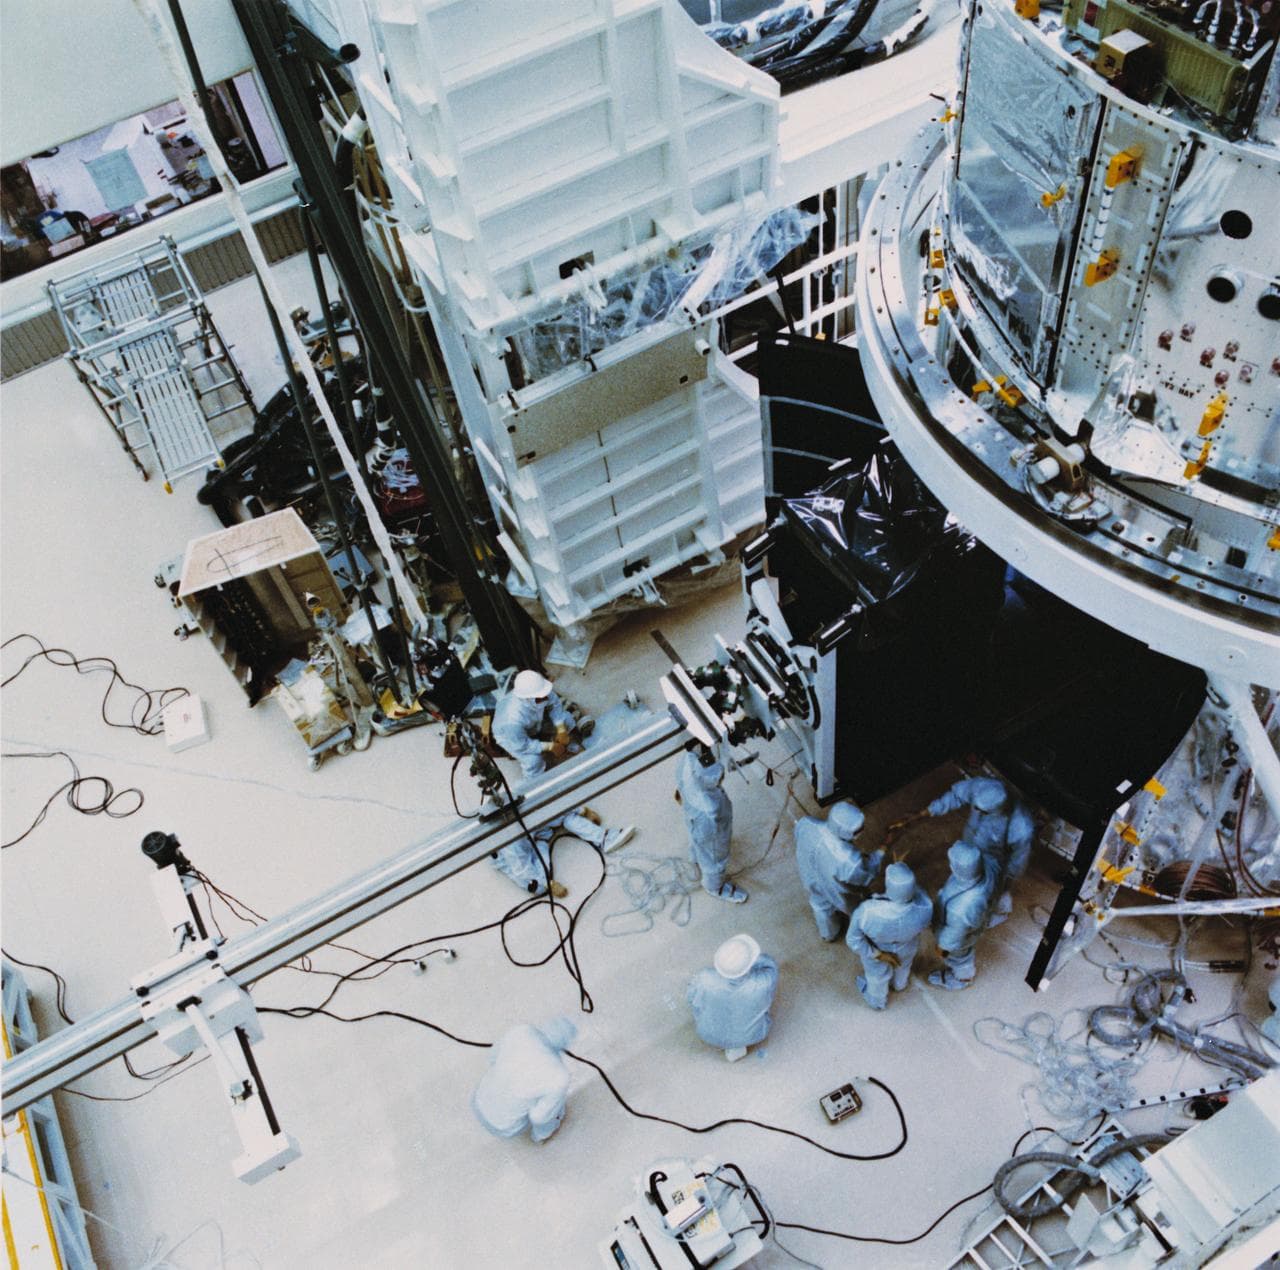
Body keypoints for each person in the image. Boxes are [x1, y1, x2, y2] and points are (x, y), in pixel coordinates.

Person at [928, 777, 1029, 926]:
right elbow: (957, 795)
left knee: (982, 897)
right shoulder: (982, 787)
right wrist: (930, 810)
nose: (978, 812)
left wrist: (1004, 888)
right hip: (970, 845)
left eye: (984, 812)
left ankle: (979, 919)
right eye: (976, 808)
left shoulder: (1021, 826)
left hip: (992, 862)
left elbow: (1017, 863)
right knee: (961, 884)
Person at [472, 1017, 577, 1143]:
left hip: (477, 1099)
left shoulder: (521, 1032)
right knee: (555, 1107)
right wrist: (541, 1135)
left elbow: (492, 1057)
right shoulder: (559, 1077)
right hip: (503, 1126)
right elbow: (540, 1117)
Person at [845, 862, 932, 1010]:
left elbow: (853, 940)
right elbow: (918, 896)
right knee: (903, 966)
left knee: (877, 977)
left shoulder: (867, 912)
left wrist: (878, 954)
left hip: (877, 948)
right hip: (907, 945)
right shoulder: (925, 906)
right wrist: (904, 876)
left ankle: (877, 1002)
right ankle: (899, 985)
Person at [492, 808, 635, 898]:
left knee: (565, 818)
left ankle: (605, 839)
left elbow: (549, 807)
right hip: (522, 867)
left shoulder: (517, 805)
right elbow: (521, 869)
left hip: (533, 834)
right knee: (540, 888)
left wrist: (581, 811)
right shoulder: (510, 845)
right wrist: (549, 884)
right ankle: (545, 874)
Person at [795, 800, 883, 941]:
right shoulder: (849, 860)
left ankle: (828, 934)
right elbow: (867, 875)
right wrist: (881, 852)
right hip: (835, 891)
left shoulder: (807, 823)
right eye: (857, 830)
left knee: (820, 906)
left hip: (810, 877)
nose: (862, 830)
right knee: (857, 910)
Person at [687, 934, 779, 1061]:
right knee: (762, 1002)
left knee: (702, 1002)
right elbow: (770, 964)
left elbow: (691, 999)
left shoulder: (704, 978)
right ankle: (737, 1043)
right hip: (754, 1036)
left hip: (706, 1033)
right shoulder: (763, 982)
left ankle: (724, 1037)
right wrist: (752, 958)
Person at [676, 746, 746, 903]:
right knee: (716, 854)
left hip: (694, 808)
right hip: (707, 819)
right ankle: (715, 886)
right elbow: (714, 775)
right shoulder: (711, 807)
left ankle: (695, 856)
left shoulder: (687, 761)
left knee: (697, 837)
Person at [929, 842, 999, 991]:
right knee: (964, 949)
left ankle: (962, 978)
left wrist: (943, 947)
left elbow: (954, 934)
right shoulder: (987, 869)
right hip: (974, 922)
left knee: (960, 958)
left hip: (961, 936)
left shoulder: (961, 909)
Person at [491, 670, 583, 779]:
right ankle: (533, 780)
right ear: (527, 699)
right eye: (541, 697)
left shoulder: (538, 691)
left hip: (533, 724)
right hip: (511, 737)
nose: (545, 698)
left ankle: (568, 744)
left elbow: (554, 704)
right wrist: (550, 746)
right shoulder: (511, 720)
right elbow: (522, 745)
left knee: (566, 720)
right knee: (533, 761)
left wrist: (561, 728)